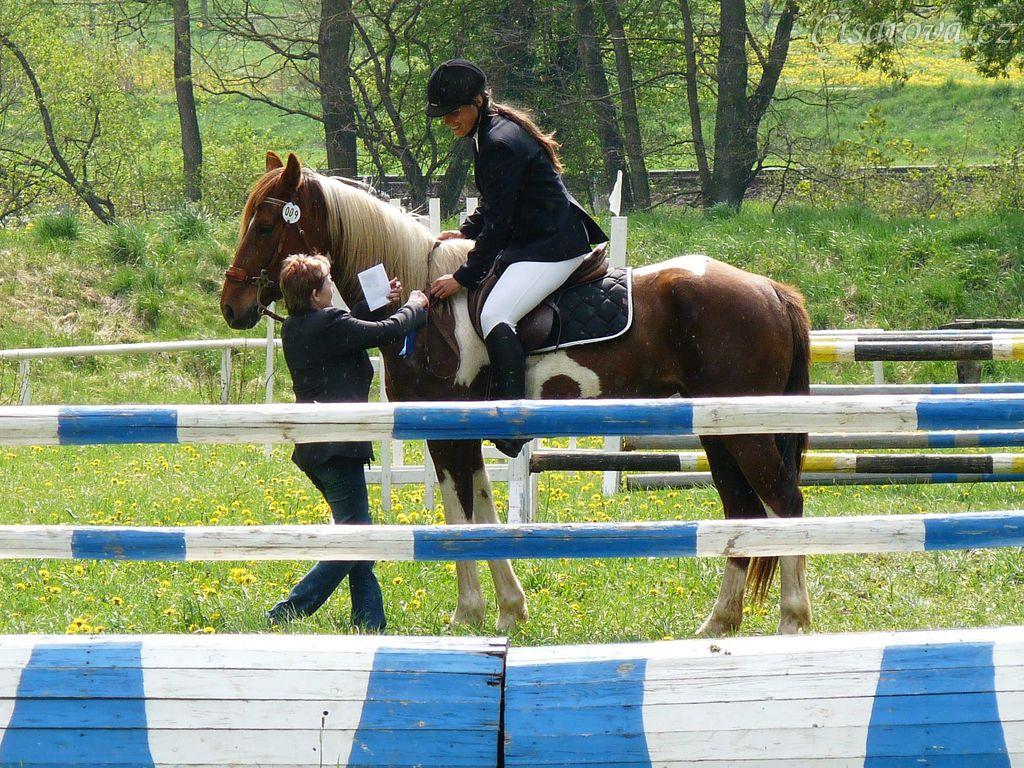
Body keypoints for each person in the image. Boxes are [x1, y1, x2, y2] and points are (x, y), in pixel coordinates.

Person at [425, 59, 607, 457]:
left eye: (453, 112)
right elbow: (495, 203)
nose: (448, 121)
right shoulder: (489, 131)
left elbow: (500, 223)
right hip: (535, 239)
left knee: (496, 315)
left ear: (476, 102)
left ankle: (513, 420)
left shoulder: (498, 142)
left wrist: (463, 277)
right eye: (444, 115)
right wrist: (465, 231)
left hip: (553, 246)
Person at [268, 253, 428, 629]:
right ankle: (289, 610)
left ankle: (369, 622)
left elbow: (349, 329)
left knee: (355, 531)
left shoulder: (297, 326)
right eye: (327, 283)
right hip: (336, 447)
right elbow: (384, 331)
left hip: (315, 448)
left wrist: (378, 299)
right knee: (356, 535)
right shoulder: (328, 323)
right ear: (315, 294)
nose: (331, 287)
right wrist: (414, 306)